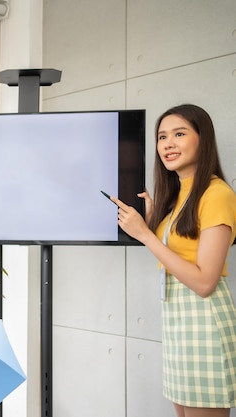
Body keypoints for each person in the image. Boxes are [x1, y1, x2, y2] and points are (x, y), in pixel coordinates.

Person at [111, 104, 236, 417]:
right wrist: (154, 222)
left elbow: (205, 282)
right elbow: (177, 252)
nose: (168, 143)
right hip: (177, 321)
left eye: (179, 134)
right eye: (162, 136)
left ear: (202, 139)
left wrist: (146, 235)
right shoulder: (179, 194)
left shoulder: (216, 193)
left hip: (203, 319)